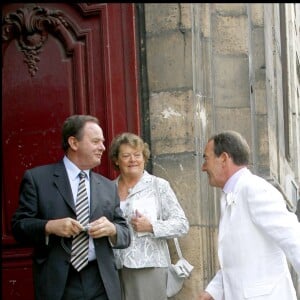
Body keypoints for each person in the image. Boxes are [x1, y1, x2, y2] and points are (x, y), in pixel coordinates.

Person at [11, 115, 131, 300]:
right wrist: (49, 227)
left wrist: (112, 229)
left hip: (101, 282)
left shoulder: (108, 186)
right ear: (74, 142)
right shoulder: (37, 179)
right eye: (96, 141)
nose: (103, 147)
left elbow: (125, 233)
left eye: (103, 142)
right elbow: (19, 227)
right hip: (59, 283)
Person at [197, 130, 300, 300]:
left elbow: (294, 238)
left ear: (223, 158)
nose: (203, 167)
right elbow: (237, 261)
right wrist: (212, 291)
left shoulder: (254, 189)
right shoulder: (229, 196)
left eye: (206, 158)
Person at [109, 132, 189, 300]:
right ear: (116, 160)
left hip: (149, 268)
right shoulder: (107, 189)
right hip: (114, 268)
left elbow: (182, 224)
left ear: (144, 158)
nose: (133, 160)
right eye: (126, 155)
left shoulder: (158, 186)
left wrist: (151, 226)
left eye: (137, 155)